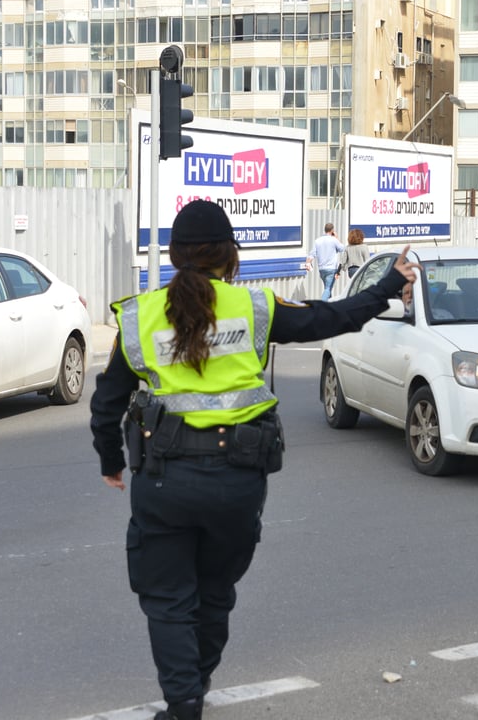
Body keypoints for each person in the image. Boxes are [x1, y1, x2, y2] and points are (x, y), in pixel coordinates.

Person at [89, 200, 416, 720]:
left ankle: (184, 703)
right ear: (230, 255)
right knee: (215, 592)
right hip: (237, 479)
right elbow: (329, 318)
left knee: (169, 599)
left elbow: (106, 404)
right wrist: (385, 287)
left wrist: (110, 460)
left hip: (164, 483)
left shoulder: (138, 317)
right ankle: (195, 685)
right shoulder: (257, 308)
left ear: (174, 257)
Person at [307, 222, 345, 300]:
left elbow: (312, 254)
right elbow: (342, 248)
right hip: (331, 269)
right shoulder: (334, 240)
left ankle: (328, 308)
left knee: (327, 289)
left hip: (322, 269)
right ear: (332, 230)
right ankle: (321, 305)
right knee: (328, 289)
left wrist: (308, 262)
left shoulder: (317, 240)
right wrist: (336, 237)